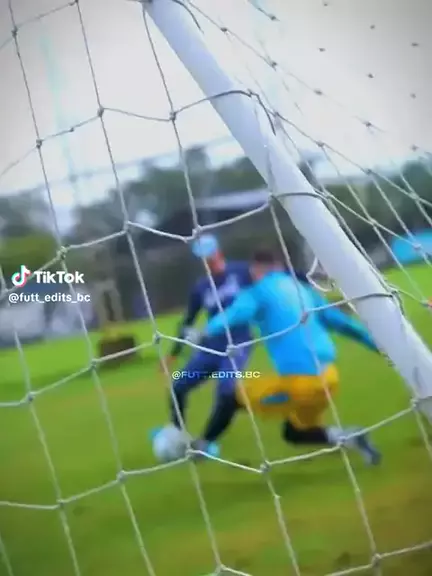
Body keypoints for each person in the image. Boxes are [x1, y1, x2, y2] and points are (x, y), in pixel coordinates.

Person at [187, 248, 382, 465]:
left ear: (255, 270)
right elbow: (340, 322)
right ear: (279, 266)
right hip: (329, 378)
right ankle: (352, 438)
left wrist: (203, 332)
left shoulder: (258, 292)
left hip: (301, 385)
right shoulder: (301, 289)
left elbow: (234, 315)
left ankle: (201, 447)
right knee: (294, 431)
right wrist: (377, 345)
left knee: (231, 397)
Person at [157, 235, 309, 457]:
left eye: (210, 256)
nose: (208, 262)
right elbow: (188, 320)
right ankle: (178, 433)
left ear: (218, 253)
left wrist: (310, 279)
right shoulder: (201, 287)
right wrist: (173, 354)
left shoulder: (242, 272)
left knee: (226, 391)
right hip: (210, 349)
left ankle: (206, 442)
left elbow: (278, 273)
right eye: (203, 259)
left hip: (237, 345)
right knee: (178, 386)